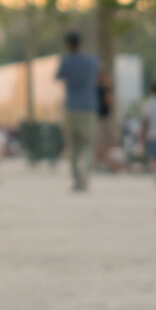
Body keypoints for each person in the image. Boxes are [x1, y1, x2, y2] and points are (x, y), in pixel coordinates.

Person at [57, 32, 102, 192]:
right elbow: (100, 74)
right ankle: (86, 174)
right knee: (88, 144)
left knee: (73, 146)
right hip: (89, 107)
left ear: (68, 45)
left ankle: (76, 179)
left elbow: (58, 77)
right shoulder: (91, 60)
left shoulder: (66, 61)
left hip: (71, 107)